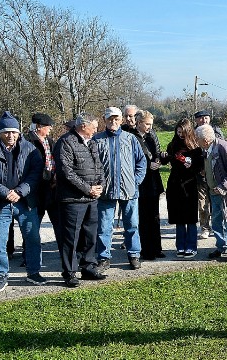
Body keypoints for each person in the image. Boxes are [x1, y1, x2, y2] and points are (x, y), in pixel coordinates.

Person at [0, 112, 44, 292]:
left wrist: (20, 192)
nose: (10, 135)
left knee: (32, 238)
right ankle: (0, 274)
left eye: (14, 132)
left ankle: (34, 272)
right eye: (6, 132)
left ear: (19, 132)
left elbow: (36, 173)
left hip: (26, 201)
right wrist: (6, 192)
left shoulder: (30, 149)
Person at [54, 112, 105, 287]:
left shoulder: (91, 143)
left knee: (90, 235)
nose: (96, 130)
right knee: (71, 237)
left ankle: (88, 267)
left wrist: (100, 187)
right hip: (73, 199)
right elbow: (66, 172)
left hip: (91, 199)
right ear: (83, 125)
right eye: (94, 127)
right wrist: (88, 189)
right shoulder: (66, 142)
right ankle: (69, 272)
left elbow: (99, 167)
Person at [93, 107, 147, 271]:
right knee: (104, 227)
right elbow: (91, 166)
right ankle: (104, 257)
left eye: (116, 119)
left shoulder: (130, 139)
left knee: (132, 225)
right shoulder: (97, 140)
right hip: (106, 193)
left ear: (121, 120)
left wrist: (135, 181)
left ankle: (134, 255)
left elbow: (141, 162)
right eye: (110, 119)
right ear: (105, 120)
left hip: (129, 191)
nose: (113, 122)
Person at [195, 124, 227, 259]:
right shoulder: (207, 149)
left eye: (197, 139)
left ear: (205, 139)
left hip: (226, 193)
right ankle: (223, 246)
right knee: (217, 221)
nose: (196, 141)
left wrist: (223, 187)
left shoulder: (223, 147)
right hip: (214, 192)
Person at [166, 118, 203, 257]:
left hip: (189, 184)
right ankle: (180, 246)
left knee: (190, 217)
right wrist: (163, 157)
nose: (180, 134)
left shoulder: (195, 147)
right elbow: (167, 159)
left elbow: (199, 166)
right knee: (178, 218)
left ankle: (191, 246)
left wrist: (191, 165)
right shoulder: (173, 145)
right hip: (175, 184)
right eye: (178, 131)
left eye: (183, 132)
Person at [134, 110, 166, 260]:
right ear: (138, 122)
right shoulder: (132, 137)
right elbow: (132, 160)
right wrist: (148, 165)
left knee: (154, 217)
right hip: (141, 183)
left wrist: (159, 160)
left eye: (151, 124)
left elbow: (157, 153)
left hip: (153, 181)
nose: (149, 127)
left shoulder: (151, 136)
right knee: (144, 218)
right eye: (147, 124)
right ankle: (146, 250)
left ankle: (156, 248)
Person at [23, 113, 57, 228]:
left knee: (58, 222)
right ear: (39, 126)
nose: (51, 128)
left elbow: (55, 160)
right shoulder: (27, 141)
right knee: (34, 224)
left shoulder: (50, 141)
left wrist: (55, 177)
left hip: (51, 187)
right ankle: (30, 246)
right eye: (48, 126)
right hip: (36, 189)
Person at [194, 109, 220, 239]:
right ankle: (205, 227)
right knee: (202, 202)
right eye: (201, 118)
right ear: (196, 120)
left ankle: (217, 227)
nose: (204, 120)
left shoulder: (216, 132)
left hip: (215, 174)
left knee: (215, 202)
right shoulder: (193, 134)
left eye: (206, 118)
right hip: (200, 174)